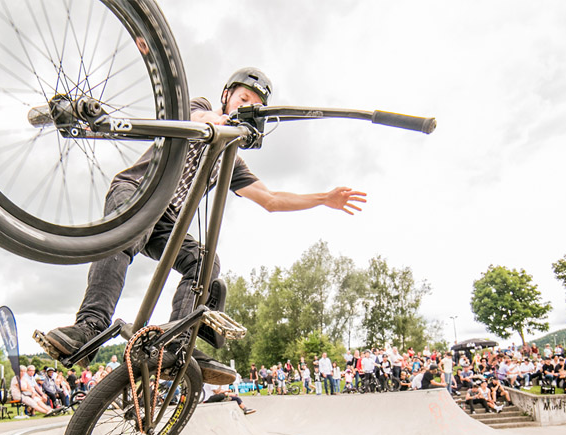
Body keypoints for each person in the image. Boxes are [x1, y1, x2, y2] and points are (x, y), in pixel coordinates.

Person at [41, 68, 366, 386]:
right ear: (226, 97)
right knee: (126, 237)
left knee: (205, 263)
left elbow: (271, 199)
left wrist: (324, 198)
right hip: (137, 190)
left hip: (167, 220)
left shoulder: (231, 160)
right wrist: (218, 121)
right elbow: (193, 119)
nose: (245, 106)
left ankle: (174, 344)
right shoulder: (201, 108)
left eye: (254, 104)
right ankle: (90, 327)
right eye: (243, 99)